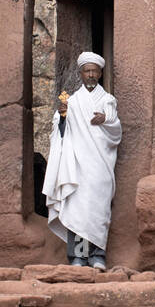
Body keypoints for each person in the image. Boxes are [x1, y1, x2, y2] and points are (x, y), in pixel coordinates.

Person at [42, 51, 122, 269]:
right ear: (81, 73)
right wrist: (63, 115)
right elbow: (60, 130)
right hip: (77, 165)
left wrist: (105, 120)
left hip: (100, 166)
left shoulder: (107, 100)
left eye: (94, 71)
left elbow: (116, 130)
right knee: (77, 210)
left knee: (98, 209)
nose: (91, 75)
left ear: (100, 73)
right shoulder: (71, 100)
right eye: (87, 71)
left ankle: (98, 256)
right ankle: (78, 257)